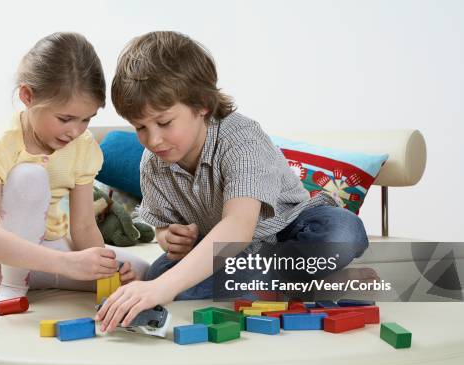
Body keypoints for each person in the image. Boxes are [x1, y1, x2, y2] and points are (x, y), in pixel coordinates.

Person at [95, 31, 372, 332]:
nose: (153, 139)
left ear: (202, 105)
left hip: (288, 230)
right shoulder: (153, 163)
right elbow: (163, 225)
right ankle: (308, 284)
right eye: (140, 127)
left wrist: (166, 287)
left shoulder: (240, 138)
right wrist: (168, 237)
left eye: (164, 122)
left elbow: (239, 226)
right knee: (157, 276)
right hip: (225, 253)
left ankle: (271, 282)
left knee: (342, 232)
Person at [0, 32, 149, 316]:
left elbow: (82, 227)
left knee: (140, 273)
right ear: (27, 96)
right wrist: (66, 264)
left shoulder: (82, 147)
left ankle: (34, 280)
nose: (76, 130)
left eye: (86, 119)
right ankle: (12, 289)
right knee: (29, 177)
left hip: (45, 255)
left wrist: (104, 271)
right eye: (65, 119)